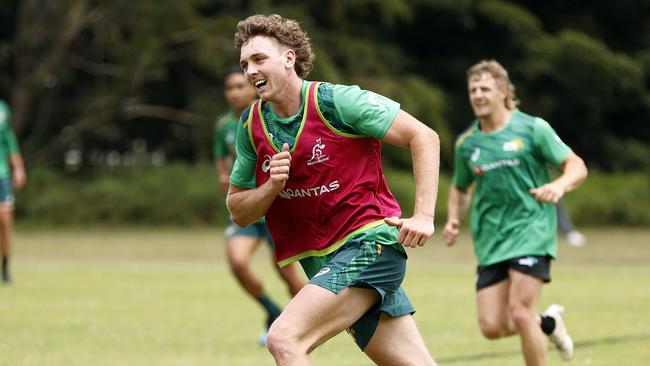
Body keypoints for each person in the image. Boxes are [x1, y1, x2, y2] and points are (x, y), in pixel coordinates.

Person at [228, 14, 440, 366]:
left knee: (284, 339)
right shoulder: (251, 124)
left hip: (371, 246)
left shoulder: (336, 102)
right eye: (245, 63)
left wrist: (424, 215)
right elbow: (238, 210)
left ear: (289, 58)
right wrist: (270, 187)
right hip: (324, 262)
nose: (250, 70)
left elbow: (424, 136)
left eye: (259, 59)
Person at [443, 60, 588, 365]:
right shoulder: (467, 144)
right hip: (491, 239)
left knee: (521, 313)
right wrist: (454, 219)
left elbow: (576, 165)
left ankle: (536, 327)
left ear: (504, 92)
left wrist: (559, 187)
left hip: (531, 230)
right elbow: (460, 188)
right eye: (473, 89)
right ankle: (548, 323)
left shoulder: (534, 128)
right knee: (492, 327)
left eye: (485, 88)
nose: (478, 95)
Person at [213, 67, 305, 344]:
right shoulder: (224, 126)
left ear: (254, 87)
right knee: (237, 262)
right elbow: (221, 164)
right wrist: (226, 180)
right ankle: (272, 310)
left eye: (240, 86)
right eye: (230, 88)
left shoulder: (270, 116)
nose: (235, 92)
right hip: (249, 210)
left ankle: (307, 323)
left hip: (277, 209)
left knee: (288, 276)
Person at [0, 99, 26, 285]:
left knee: (5, 221)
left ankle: (5, 269)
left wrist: (18, 167)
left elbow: (8, 138)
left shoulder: (2, 109)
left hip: (2, 175)